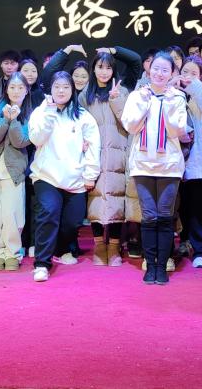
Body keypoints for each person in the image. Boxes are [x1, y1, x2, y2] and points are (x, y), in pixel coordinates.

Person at [122, 52, 189, 285]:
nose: (159, 74)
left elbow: (177, 130)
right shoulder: (137, 95)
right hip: (142, 164)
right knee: (149, 216)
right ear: (149, 70)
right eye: (156, 69)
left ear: (172, 73)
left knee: (165, 216)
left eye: (165, 70)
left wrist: (167, 103)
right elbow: (130, 126)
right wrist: (145, 102)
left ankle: (162, 266)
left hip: (169, 166)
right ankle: (150, 265)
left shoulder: (177, 97)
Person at [27, 72, 100, 282]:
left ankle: (61, 248)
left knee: (73, 221)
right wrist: (49, 114)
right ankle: (42, 263)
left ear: (72, 89)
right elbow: (36, 138)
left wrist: (90, 174)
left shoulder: (83, 116)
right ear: (50, 89)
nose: (61, 91)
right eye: (57, 86)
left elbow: (93, 146)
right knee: (48, 212)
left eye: (66, 87)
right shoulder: (41, 112)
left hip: (75, 179)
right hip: (46, 176)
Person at [80, 50, 133, 267]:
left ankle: (114, 245)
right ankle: (99, 245)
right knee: (95, 199)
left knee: (116, 199)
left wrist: (116, 99)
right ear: (93, 69)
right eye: (100, 67)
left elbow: (129, 122)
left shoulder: (123, 92)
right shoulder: (85, 95)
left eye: (108, 67)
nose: (104, 72)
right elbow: (78, 124)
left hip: (118, 153)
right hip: (93, 155)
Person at [0, 72, 34, 271]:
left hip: (14, 170)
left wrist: (14, 120)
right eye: (12, 87)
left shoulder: (31, 114)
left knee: (12, 214)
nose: (16, 91)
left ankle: (12, 253)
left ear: (27, 90)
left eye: (20, 88)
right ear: (6, 89)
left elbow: (21, 141)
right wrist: (4, 119)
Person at [175, 55, 202, 268]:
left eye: (194, 73)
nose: (188, 76)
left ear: (201, 76)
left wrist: (193, 88)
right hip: (189, 160)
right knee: (195, 208)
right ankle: (200, 250)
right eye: (185, 72)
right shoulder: (175, 93)